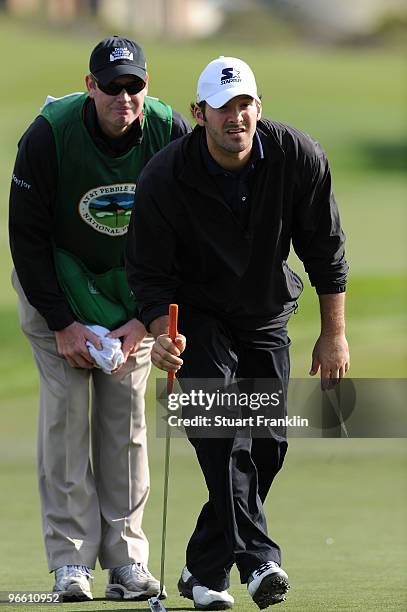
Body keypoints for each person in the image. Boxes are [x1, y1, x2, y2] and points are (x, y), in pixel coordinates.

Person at [125, 56, 350, 610]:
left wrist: (333, 334)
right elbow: (148, 274)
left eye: (244, 103)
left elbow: (325, 250)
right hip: (195, 314)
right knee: (225, 430)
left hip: (265, 308)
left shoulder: (298, 157)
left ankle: (203, 570)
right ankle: (259, 560)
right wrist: (163, 334)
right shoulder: (165, 175)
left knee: (269, 444)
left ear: (259, 107)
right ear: (199, 113)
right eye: (223, 107)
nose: (236, 116)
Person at [8, 35, 191, 602]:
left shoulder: (169, 133)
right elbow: (27, 239)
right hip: (57, 291)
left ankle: (129, 561)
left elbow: (186, 237)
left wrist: (144, 320)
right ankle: (70, 563)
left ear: (146, 84)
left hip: (133, 294)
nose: (124, 96)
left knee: (126, 426)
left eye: (134, 85)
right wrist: (63, 324)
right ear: (90, 86)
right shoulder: (48, 135)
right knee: (66, 421)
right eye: (111, 86)